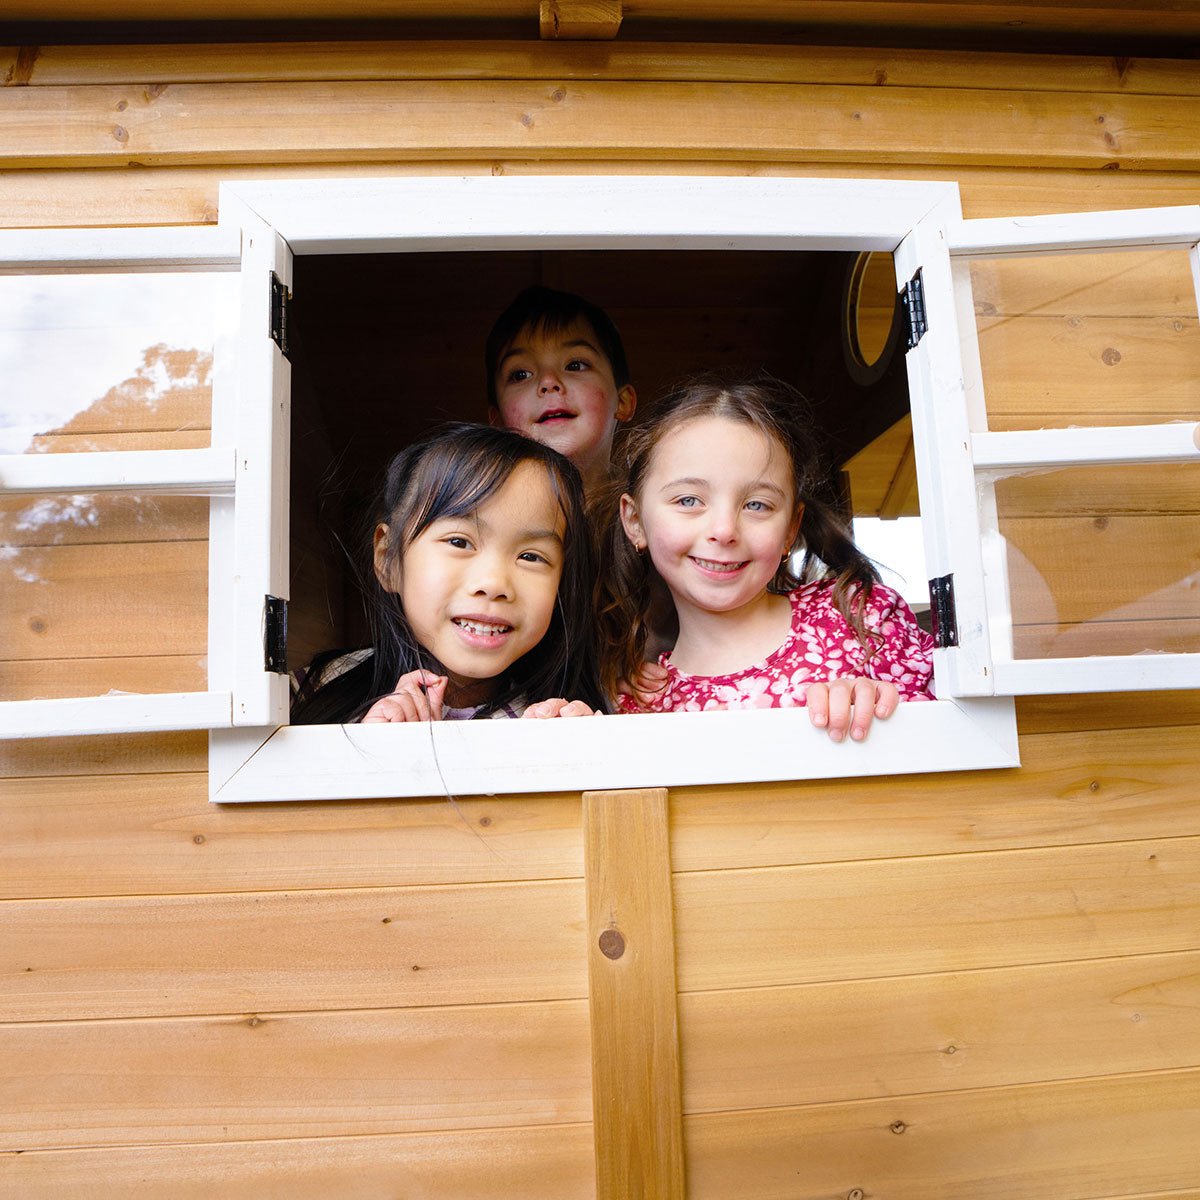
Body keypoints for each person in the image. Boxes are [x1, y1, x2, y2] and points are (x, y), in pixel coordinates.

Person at [596, 373, 934, 742]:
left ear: (791, 527)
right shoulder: (642, 703)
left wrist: (893, 712)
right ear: (635, 521)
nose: (724, 530)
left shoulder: (859, 618)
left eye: (757, 504)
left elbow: (964, 745)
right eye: (689, 500)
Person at [291, 423, 606, 724]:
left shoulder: (551, 720)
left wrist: (577, 760)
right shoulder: (311, 690)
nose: (494, 584)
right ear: (389, 559)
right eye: (459, 541)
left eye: (530, 556)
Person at [486, 285, 637, 495]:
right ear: (498, 420)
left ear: (623, 402)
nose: (548, 382)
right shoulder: (486, 516)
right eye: (521, 375)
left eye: (575, 365)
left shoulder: (652, 508)